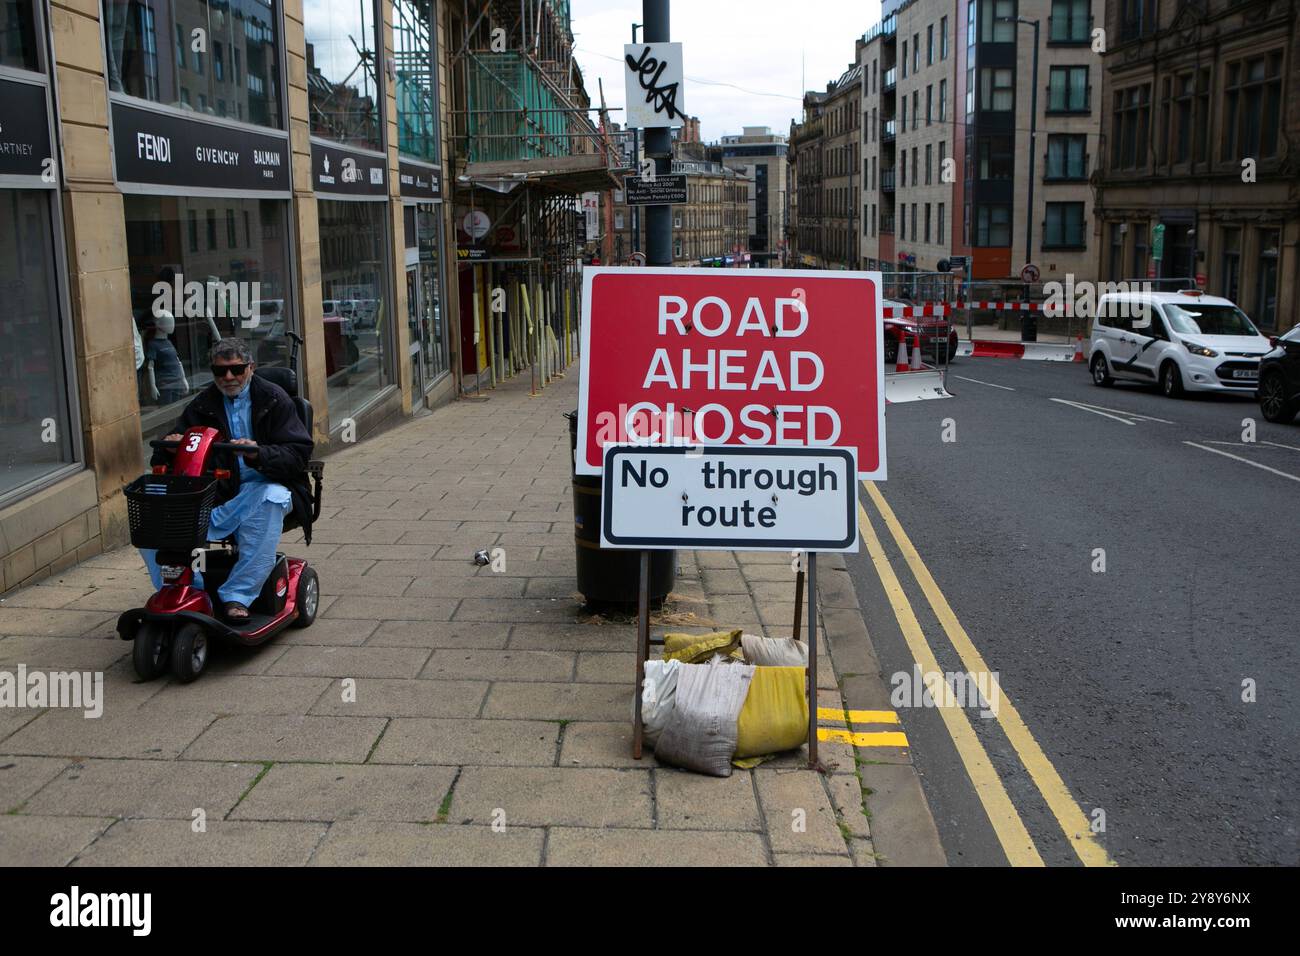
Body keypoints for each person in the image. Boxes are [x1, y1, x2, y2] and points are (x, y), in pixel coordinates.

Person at [140, 338, 313, 621]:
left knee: (270, 499)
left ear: (251, 368)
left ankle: (238, 595)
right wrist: (172, 450)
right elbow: (172, 452)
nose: (228, 377)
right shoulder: (203, 404)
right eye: (220, 372)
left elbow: (298, 455)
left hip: (264, 484)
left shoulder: (274, 399)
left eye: (236, 369)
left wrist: (258, 454)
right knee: (152, 503)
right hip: (218, 491)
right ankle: (183, 589)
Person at [144, 310, 188, 405]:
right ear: (158, 324)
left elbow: (177, 361)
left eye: (172, 322)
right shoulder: (153, 344)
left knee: (177, 409)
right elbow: (150, 367)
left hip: (177, 382)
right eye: (168, 322)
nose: (172, 325)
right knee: (166, 411)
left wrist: (183, 379)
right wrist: (153, 386)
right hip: (165, 385)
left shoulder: (169, 342)